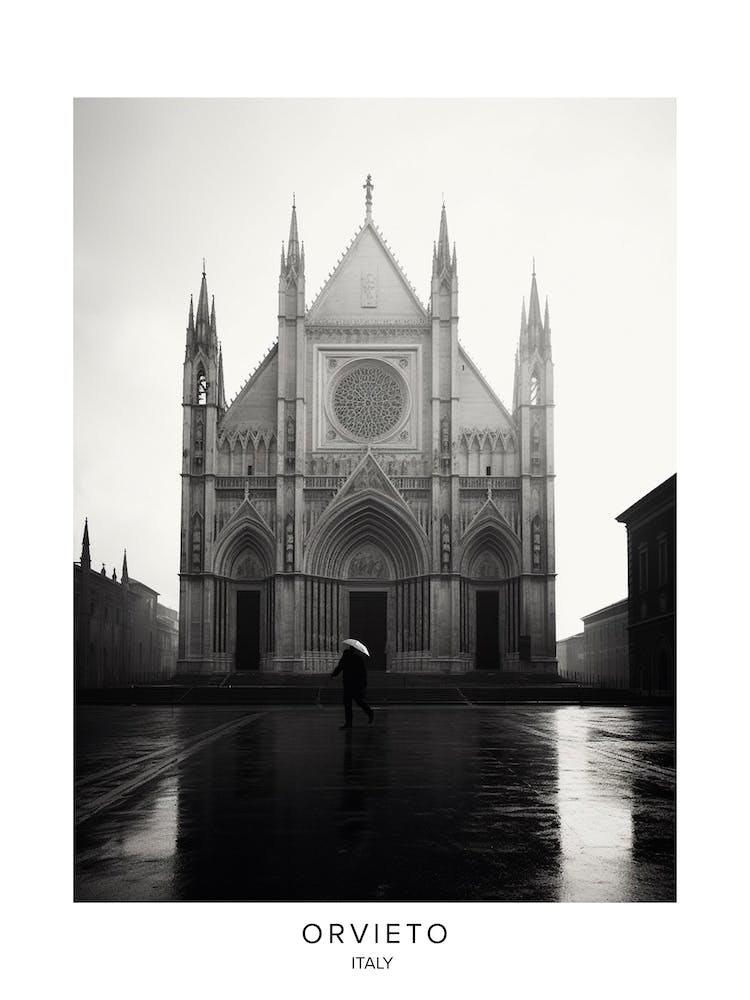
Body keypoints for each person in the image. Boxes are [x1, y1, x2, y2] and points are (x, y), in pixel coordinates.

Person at [331, 645, 375, 729]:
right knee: (358, 701)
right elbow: (363, 673)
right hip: (355, 684)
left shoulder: (346, 657)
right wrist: (363, 684)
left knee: (348, 704)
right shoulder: (359, 659)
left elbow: (340, 667)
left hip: (348, 683)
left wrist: (333, 675)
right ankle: (369, 712)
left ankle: (349, 723)